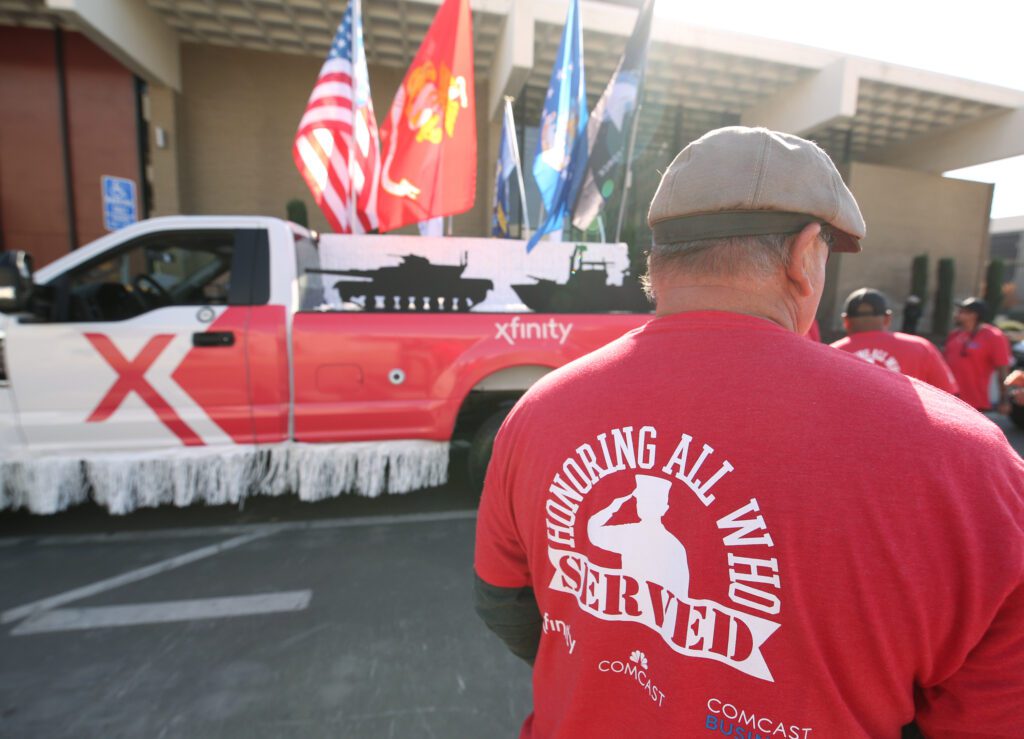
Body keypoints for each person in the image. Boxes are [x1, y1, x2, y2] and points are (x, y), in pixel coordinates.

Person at [474, 126, 1024, 739]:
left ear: (657, 258)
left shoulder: (537, 411)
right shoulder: (968, 460)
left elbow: (508, 606)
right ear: (804, 256)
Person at [830, 287, 958, 393]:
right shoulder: (921, 347)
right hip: (910, 422)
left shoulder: (831, 353)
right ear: (887, 319)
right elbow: (950, 395)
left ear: (846, 321)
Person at [943, 297, 1013, 413]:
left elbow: (1003, 369)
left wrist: (1004, 400)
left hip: (975, 403)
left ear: (974, 315)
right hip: (949, 399)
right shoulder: (954, 335)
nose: (957, 314)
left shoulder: (993, 336)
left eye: (962, 311)